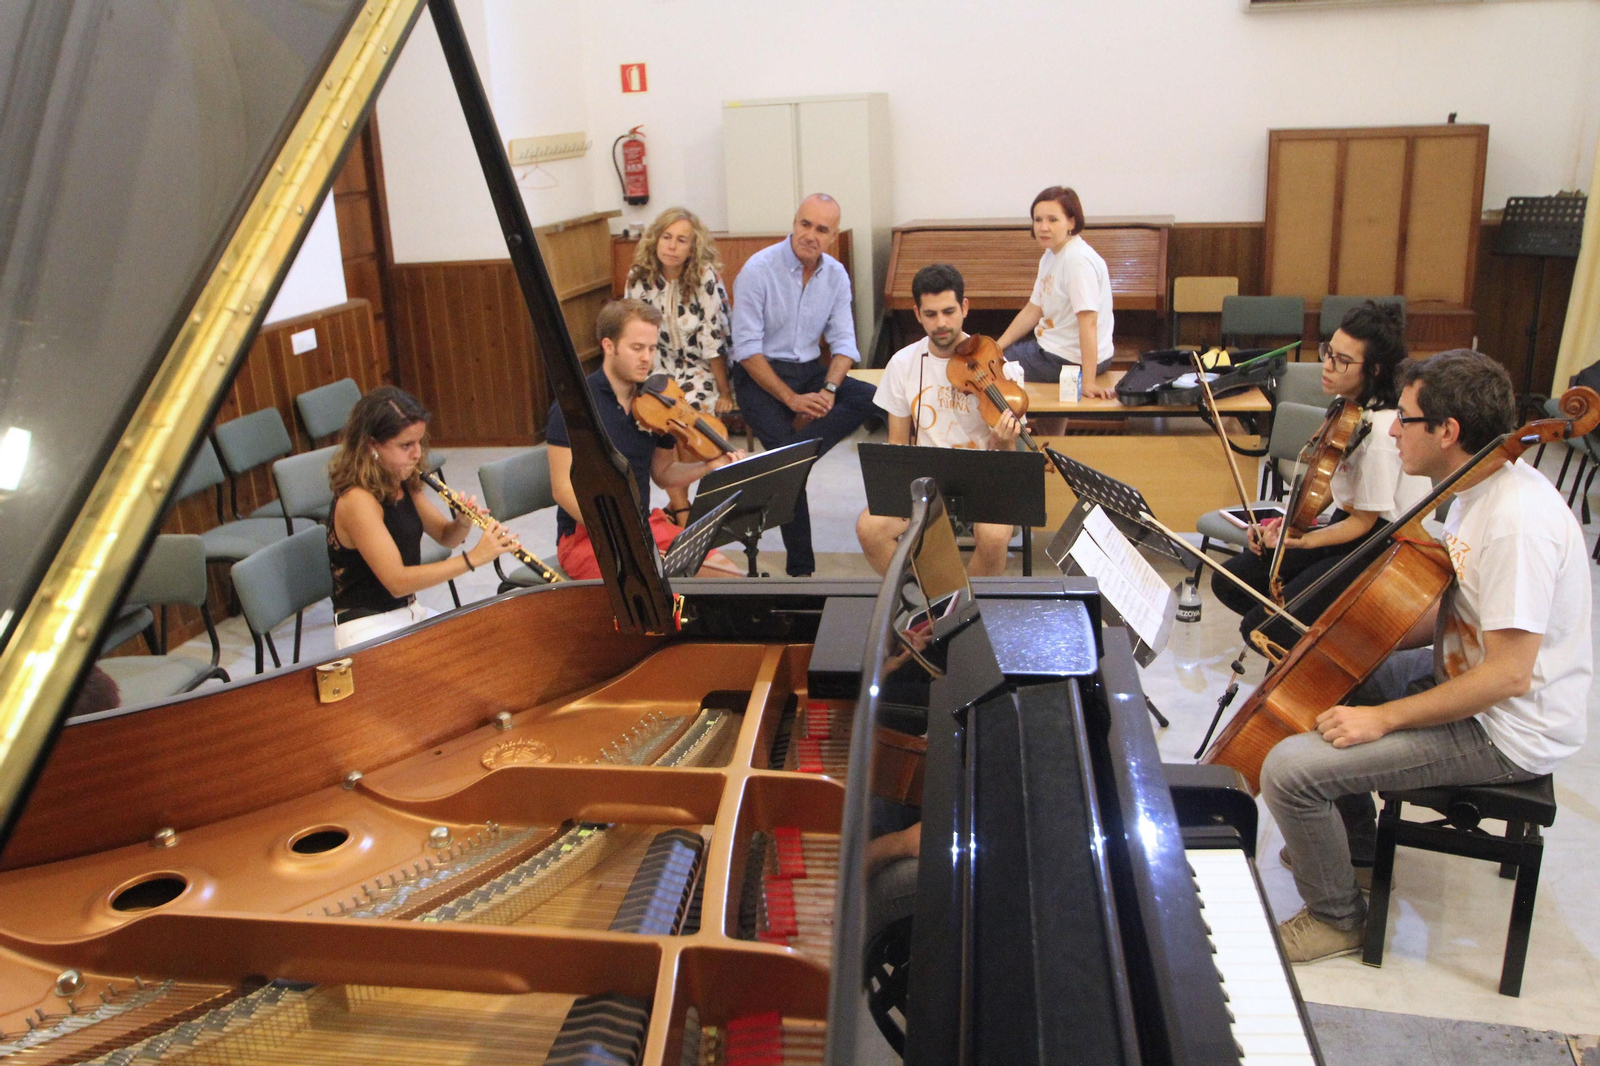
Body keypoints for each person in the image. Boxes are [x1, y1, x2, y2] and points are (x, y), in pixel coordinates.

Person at [1260, 349, 1591, 964]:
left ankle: (1337, 918)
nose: (1391, 431)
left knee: (1288, 771)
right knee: (1330, 680)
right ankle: (1356, 848)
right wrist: (1347, 642)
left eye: (1405, 418)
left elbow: (1509, 675)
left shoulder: (1516, 523)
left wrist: (1383, 719)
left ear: (1447, 431)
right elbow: (1461, 610)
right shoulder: (1475, 488)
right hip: (1468, 676)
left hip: (1506, 729)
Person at [1212, 301, 1429, 649]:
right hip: (1350, 524)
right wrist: (1289, 525)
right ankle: (1306, 644)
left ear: (1373, 369)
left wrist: (1306, 541)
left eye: (1342, 361)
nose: (1326, 365)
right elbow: (1333, 478)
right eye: (1328, 352)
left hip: (1382, 544)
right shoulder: (1349, 404)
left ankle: (1310, 648)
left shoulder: (1382, 432)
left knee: (1263, 629)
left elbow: (1365, 521)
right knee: (1231, 579)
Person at [730, 193, 877, 577]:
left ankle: (793, 460)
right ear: (794, 223)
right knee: (788, 465)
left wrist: (829, 390)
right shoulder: (757, 270)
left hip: (810, 369)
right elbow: (746, 350)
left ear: (833, 236)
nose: (810, 235)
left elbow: (845, 345)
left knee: (872, 397)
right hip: (758, 374)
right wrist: (792, 399)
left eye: (821, 229)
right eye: (804, 224)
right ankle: (801, 571)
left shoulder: (836, 274)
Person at [547, 299, 744, 580]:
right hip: (588, 535)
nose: (647, 359)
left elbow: (663, 473)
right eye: (637, 348)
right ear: (609, 346)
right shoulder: (574, 405)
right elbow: (562, 489)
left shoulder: (658, 405)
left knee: (727, 577)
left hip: (643, 525)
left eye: (652, 349)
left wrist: (707, 466)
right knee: (654, 588)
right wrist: (616, 530)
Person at [856, 264, 1023, 577]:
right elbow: (897, 443)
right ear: (917, 314)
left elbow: (1009, 458)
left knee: (993, 536)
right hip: (926, 482)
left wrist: (1003, 439)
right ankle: (928, 593)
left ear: (964, 307)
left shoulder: (999, 366)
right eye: (931, 314)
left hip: (984, 480)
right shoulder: (902, 363)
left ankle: (968, 604)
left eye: (949, 311)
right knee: (869, 529)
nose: (941, 323)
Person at [327, 386, 517, 649]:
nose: (417, 454)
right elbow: (397, 582)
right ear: (372, 445)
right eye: (406, 445)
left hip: (407, 612)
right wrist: (473, 559)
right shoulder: (357, 501)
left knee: (488, 644)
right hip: (366, 627)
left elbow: (446, 537)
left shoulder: (400, 480)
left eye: (419, 442)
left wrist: (462, 522)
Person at [624, 207, 735, 524]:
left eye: (681, 240)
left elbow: (713, 340)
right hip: (655, 366)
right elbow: (632, 332)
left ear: (693, 247)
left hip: (698, 366)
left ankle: (684, 505)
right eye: (667, 237)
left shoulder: (705, 276)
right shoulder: (638, 278)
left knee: (691, 416)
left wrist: (725, 391)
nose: (672, 246)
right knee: (654, 415)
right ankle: (682, 506)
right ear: (655, 240)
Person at [994, 186, 1116, 397]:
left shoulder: (1077, 261)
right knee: (995, 355)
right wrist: (996, 347)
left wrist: (1087, 382)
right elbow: (1033, 309)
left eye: (1052, 220)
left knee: (992, 368)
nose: (1043, 227)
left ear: (1072, 222)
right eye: (1038, 220)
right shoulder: (1051, 255)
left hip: (1069, 359)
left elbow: (1089, 322)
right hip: (1057, 350)